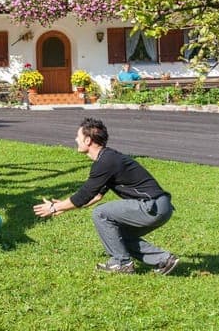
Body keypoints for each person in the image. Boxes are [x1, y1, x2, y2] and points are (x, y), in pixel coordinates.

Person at [32, 117, 178, 275]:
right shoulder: (108, 158)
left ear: (88, 140)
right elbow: (95, 196)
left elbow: (84, 195)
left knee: (100, 213)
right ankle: (164, 260)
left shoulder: (105, 162)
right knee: (116, 235)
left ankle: (121, 263)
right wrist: (64, 207)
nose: (75, 139)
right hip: (161, 207)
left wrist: (54, 208)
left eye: (78, 136)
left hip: (151, 206)